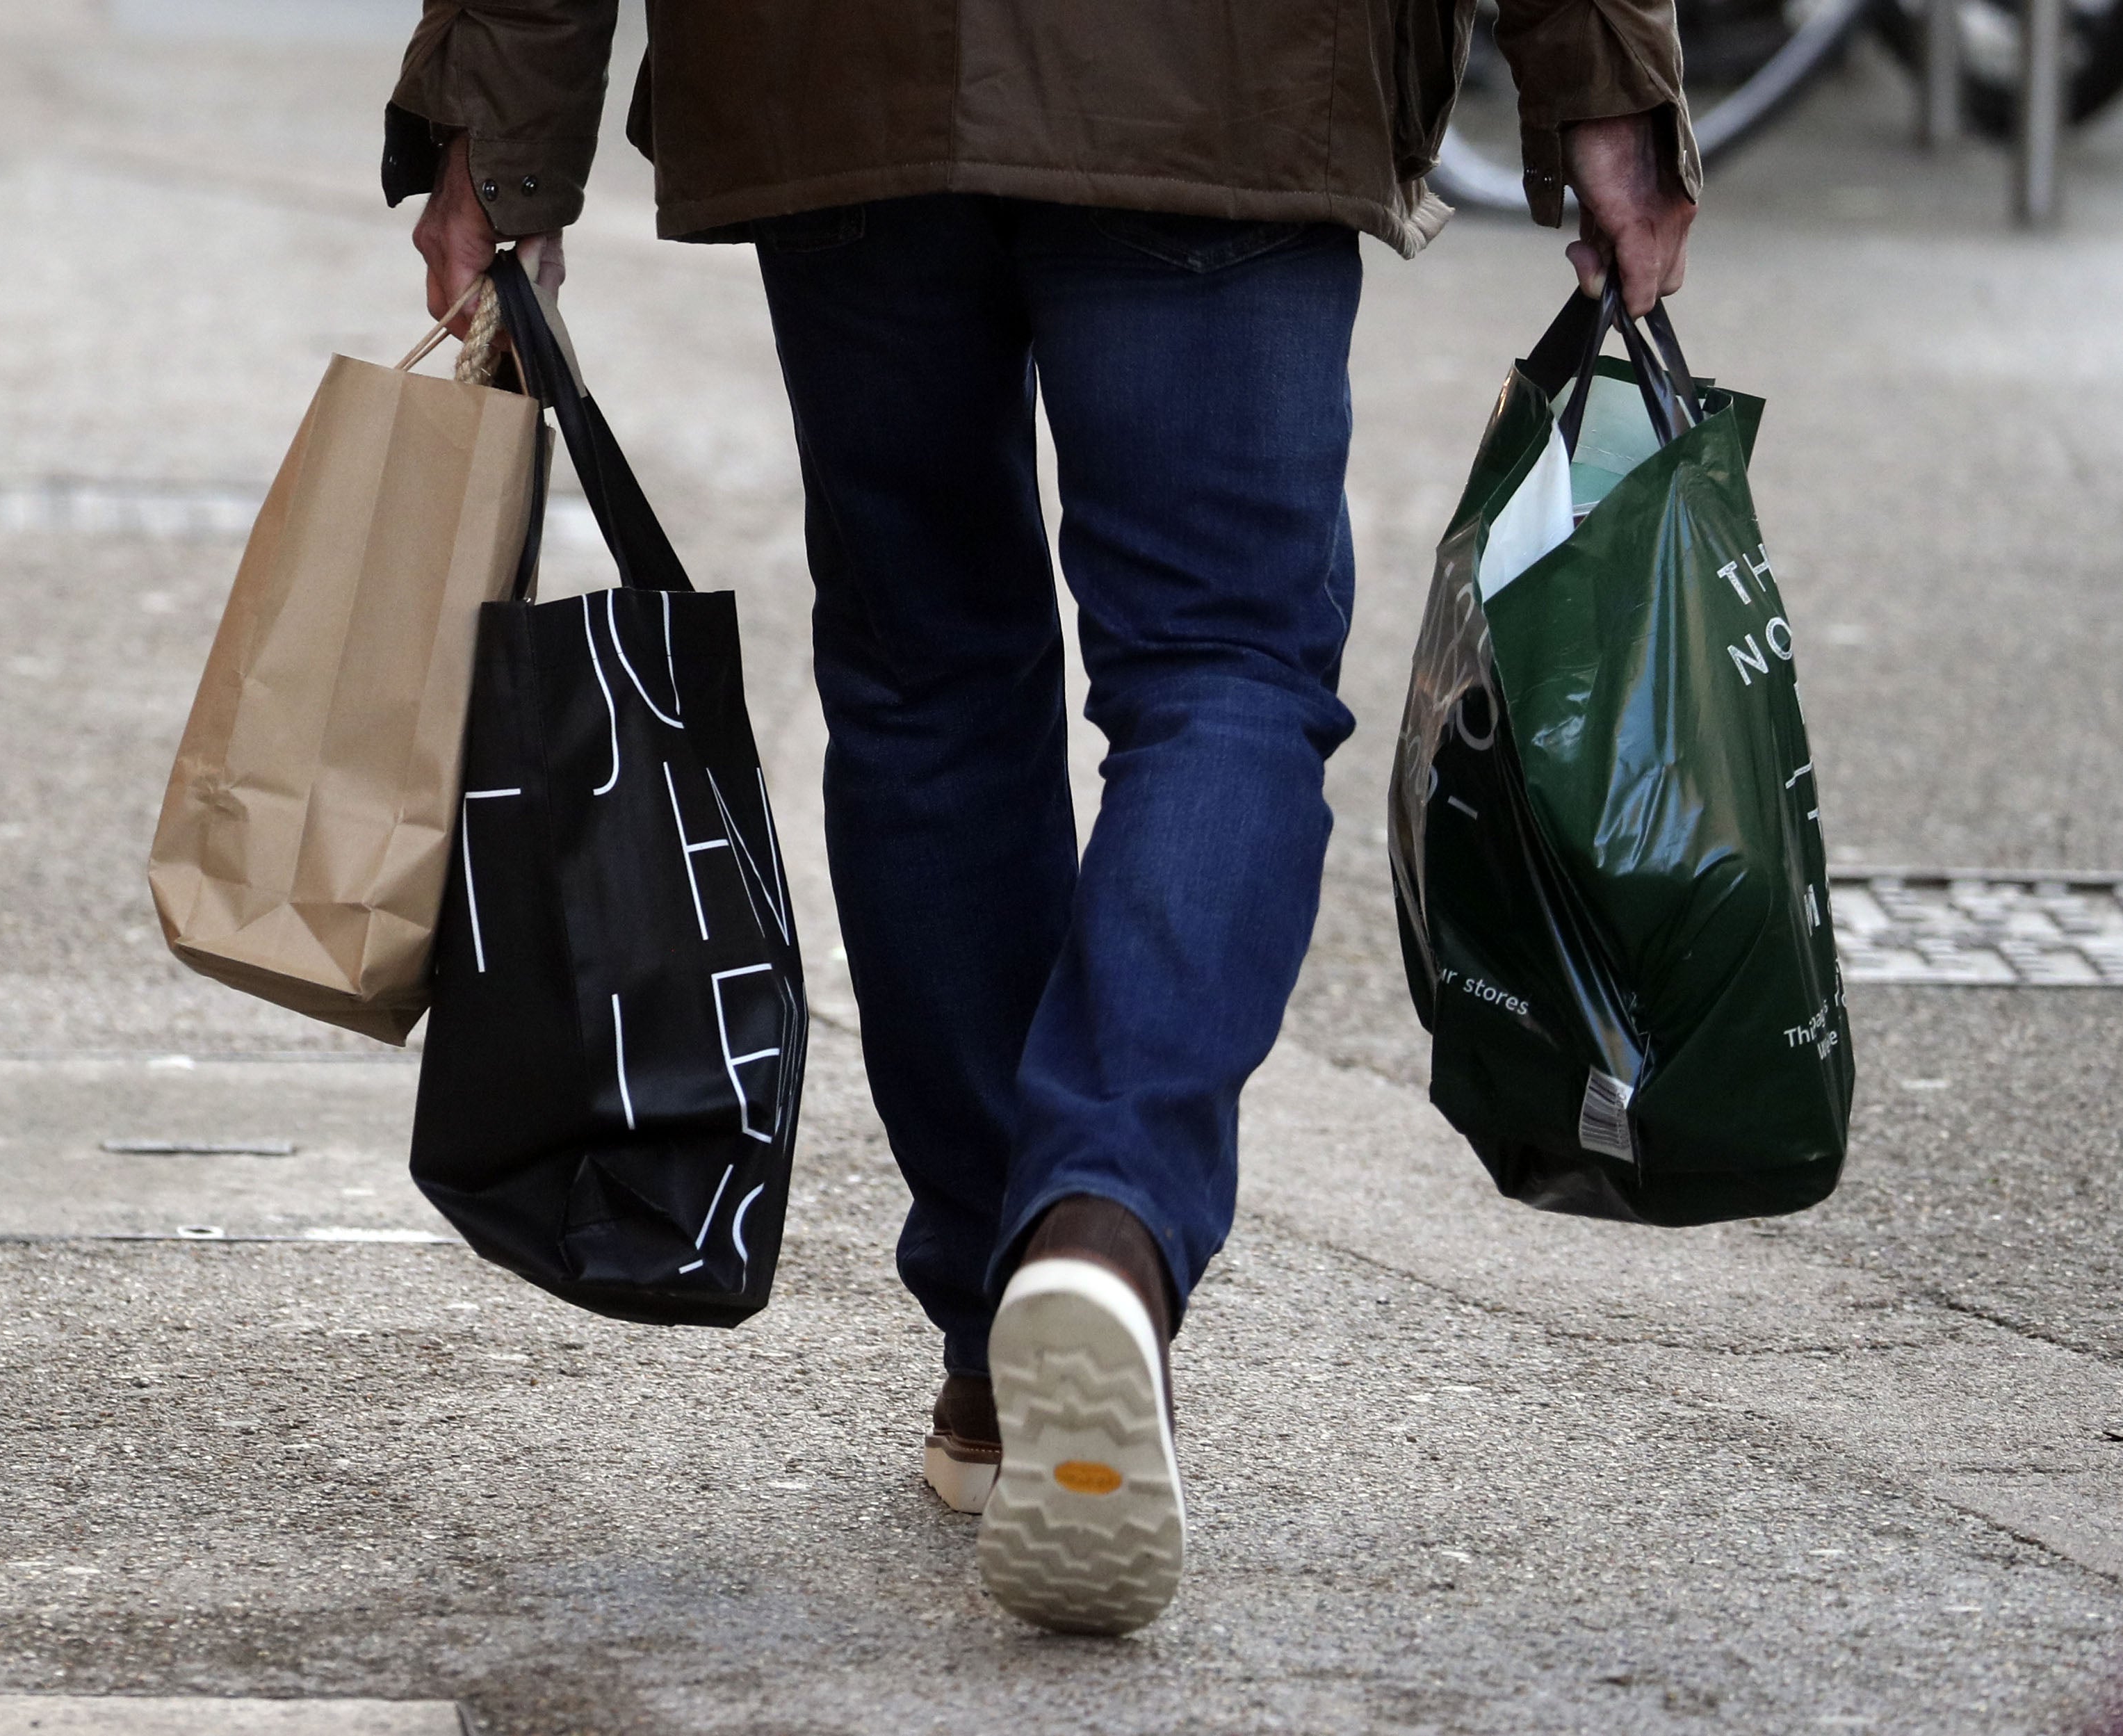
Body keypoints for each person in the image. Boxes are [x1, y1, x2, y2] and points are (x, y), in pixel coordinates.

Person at [384, 0, 1695, 1637]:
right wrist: (1607, 91)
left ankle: (1003, 1348)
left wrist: (493, 138)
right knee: (1219, 661)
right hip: (1223, 75)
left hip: (836, 73)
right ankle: (1100, 1225)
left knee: (924, 677)